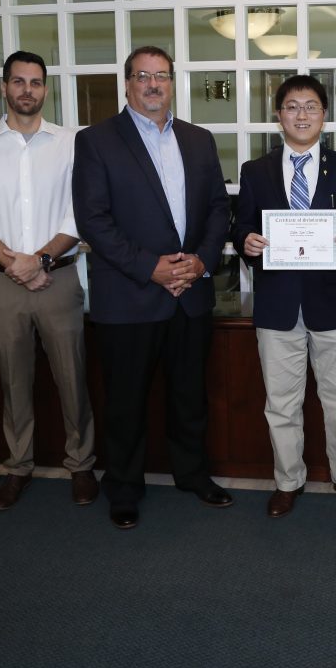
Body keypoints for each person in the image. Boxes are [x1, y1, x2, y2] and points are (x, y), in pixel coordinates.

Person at [72, 45, 232, 530]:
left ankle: (192, 474)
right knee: (125, 401)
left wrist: (200, 261)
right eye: (143, 76)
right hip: (129, 295)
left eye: (161, 76)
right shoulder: (96, 140)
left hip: (191, 294)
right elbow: (93, 220)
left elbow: (218, 209)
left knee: (189, 395)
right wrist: (151, 268)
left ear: (172, 83)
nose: (153, 84)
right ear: (127, 84)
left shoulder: (199, 139)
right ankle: (123, 488)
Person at [232, 75, 336, 518]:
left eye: (310, 106)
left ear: (324, 115)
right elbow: (238, 227)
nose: (301, 114)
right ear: (279, 116)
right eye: (292, 106)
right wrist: (247, 242)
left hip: (334, 305)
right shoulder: (254, 171)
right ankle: (288, 480)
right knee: (281, 403)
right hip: (277, 307)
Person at [0, 51, 97, 511]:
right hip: (0, 282)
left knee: (72, 377)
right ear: (4, 88)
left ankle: (80, 465)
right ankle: (18, 467)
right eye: (18, 82)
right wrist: (14, 263)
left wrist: (39, 260)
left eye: (36, 82)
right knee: (13, 380)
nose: (27, 90)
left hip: (58, 279)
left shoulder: (72, 142)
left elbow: (78, 214)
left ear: (45, 89)